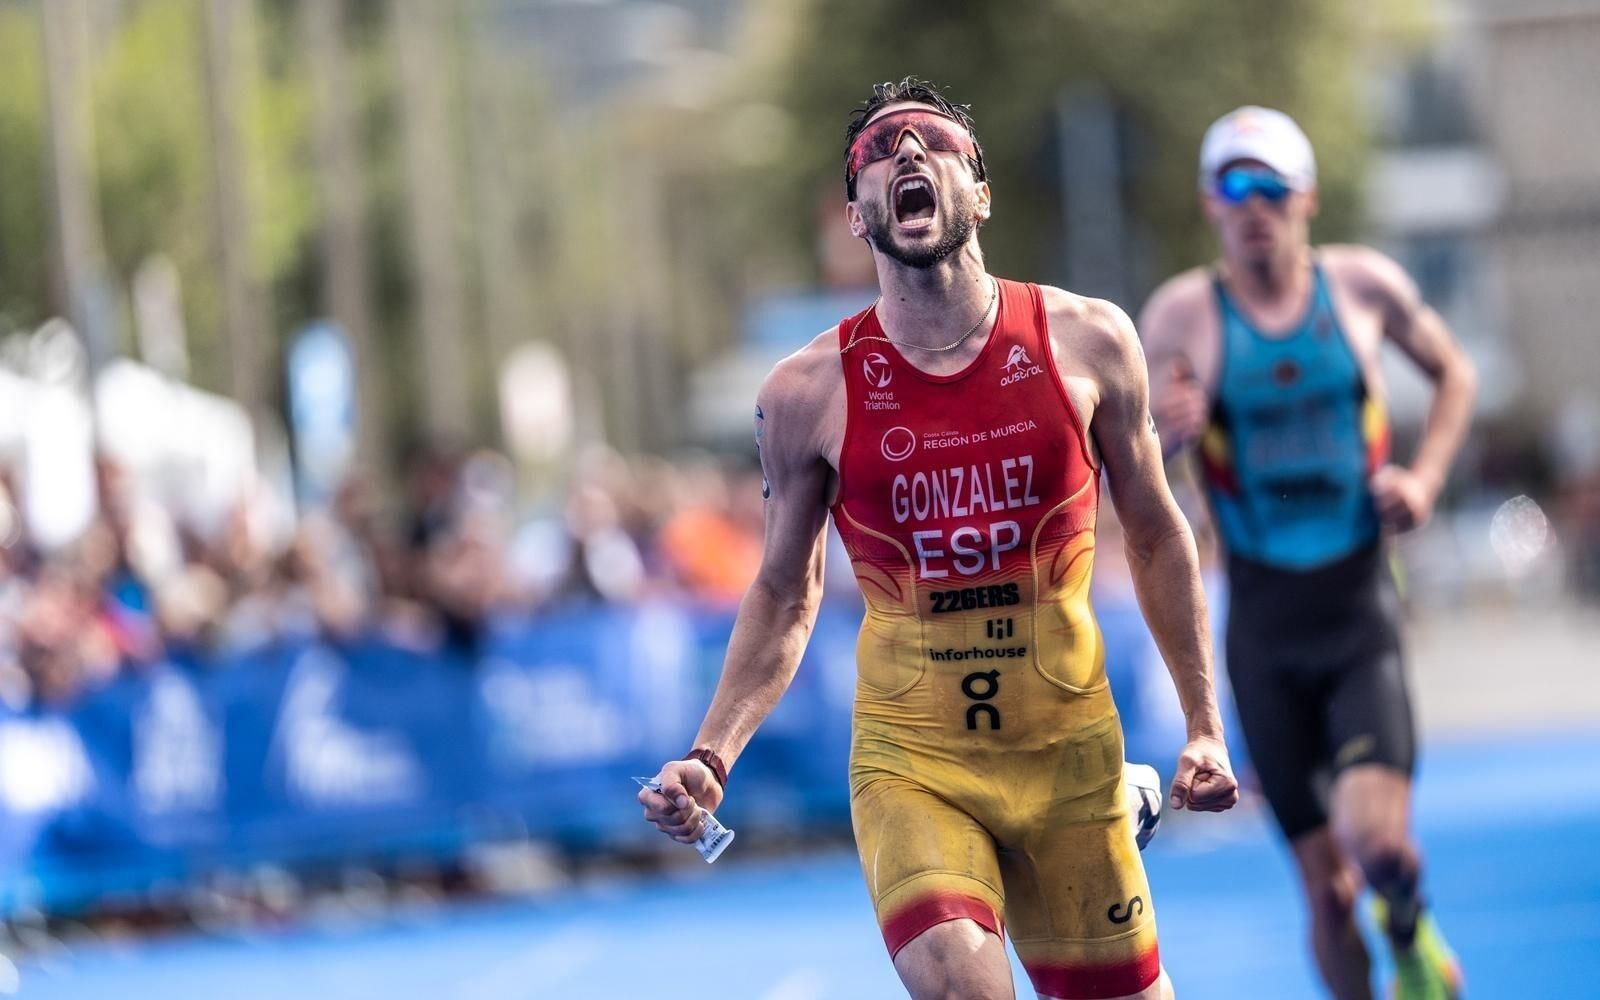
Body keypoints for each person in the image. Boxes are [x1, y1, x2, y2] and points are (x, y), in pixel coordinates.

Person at [640, 77, 1238, 1000]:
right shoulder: (806, 393)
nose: (904, 155)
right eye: (876, 154)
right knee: (963, 985)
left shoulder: (1089, 342)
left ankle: (1130, 794)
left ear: (980, 191)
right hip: (915, 760)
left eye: (929, 141)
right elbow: (784, 593)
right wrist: (712, 753)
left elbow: (1157, 535)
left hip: (1068, 747)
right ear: (856, 216)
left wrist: (1205, 726)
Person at [1139, 106, 1477, 1000]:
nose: (1254, 206)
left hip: (1359, 616)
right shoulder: (1179, 316)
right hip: (1263, 632)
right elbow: (1121, 465)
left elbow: (1455, 372)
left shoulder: (1362, 288)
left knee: (1384, 850)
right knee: (1327, 895)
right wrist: (1165, 438)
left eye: (1271, 187)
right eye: (1233, 187)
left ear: (1307, 197)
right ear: (1211, 203)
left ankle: (1408, 927)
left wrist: (1427, 480)